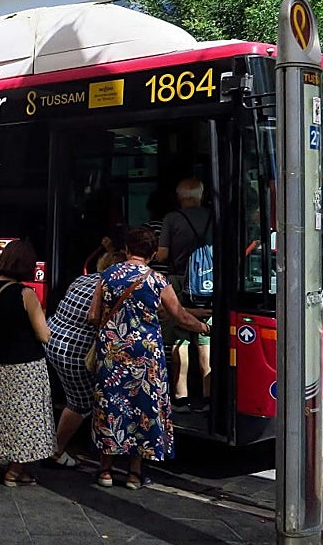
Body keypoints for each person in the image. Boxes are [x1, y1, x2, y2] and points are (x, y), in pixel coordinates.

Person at [91, 227, 210, 489]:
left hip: (112, 354)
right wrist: (203, 327)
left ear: (127, 249)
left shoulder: (107, 275)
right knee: (142, 408)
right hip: (145, 355)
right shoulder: (157, 280)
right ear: (153, 253)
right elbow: (179, 315)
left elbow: (93, 315)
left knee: (111, 407)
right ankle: (134, 474)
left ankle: (105, 471)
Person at [0, 240, 57, 486]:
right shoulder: (25, 293)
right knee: (22, 417)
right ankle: (14, 471)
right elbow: (43, 334)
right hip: (25, 367)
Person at [43, 251, 127, 468]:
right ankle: (56, 450)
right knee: (80, 402)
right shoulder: (111, 288)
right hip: (74, 352)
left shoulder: (82, 279)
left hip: (52, 339)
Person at [154, 178, 214, 409]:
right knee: (204, 341)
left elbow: (162, 254)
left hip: (180, 281)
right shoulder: (213, 216)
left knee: (180, 339)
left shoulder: (172, 218)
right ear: (201, 195)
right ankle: (208, 395)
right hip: (208, 281)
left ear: (180, 197)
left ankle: (181, 395)